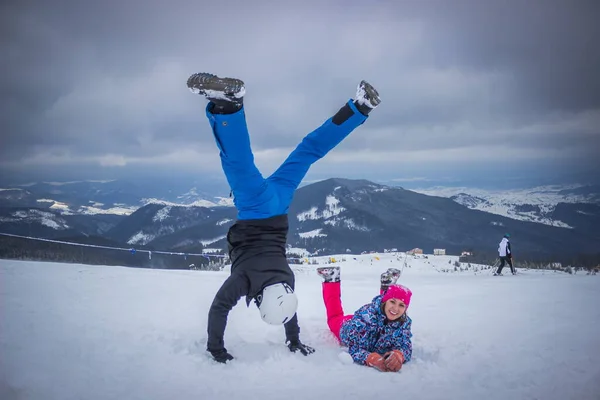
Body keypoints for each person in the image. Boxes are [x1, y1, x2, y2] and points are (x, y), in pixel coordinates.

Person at [186, 72, 382, 363]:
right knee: (236, 161)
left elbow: (288, 308)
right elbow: (219, 308)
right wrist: (216, 349)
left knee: (307, 151)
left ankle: (360, 108)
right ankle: (229, 105)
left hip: (281, 202)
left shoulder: (287, 280)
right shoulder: (244, 280)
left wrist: (294, 339)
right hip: (255, 207)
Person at [316, 266, 412, 372]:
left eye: (401, 305)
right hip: (348, 327)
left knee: (387, 312)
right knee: (334, 317)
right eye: (392, 302)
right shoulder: (366, 321)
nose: (395, 308)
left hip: (370, 320)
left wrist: (399, 355)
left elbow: (406, 345)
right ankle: (331, 279)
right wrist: (374, 359)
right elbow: (355, 349)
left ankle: (387, 284)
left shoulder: (403, 322)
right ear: (385, 302)